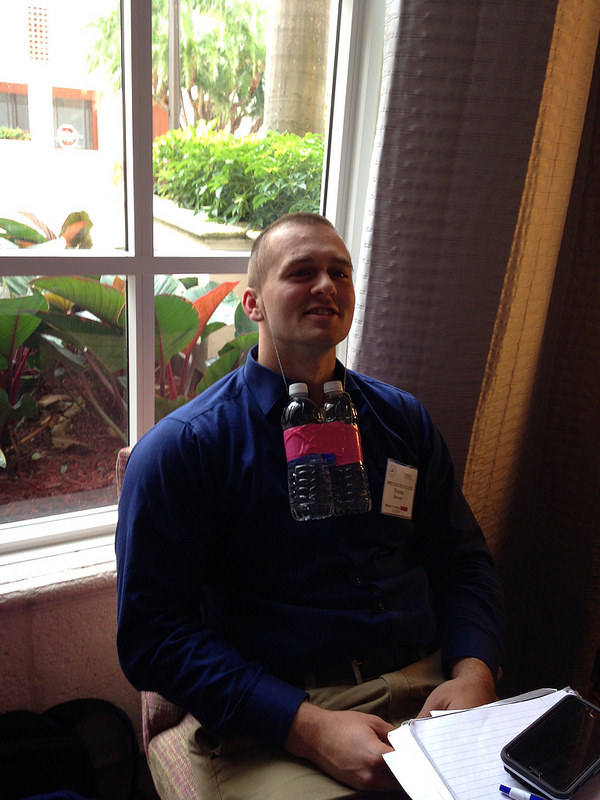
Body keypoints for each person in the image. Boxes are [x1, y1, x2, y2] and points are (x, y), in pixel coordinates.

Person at [115, 213, 504, 799]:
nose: (326, 285)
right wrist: (306, 727)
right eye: (301, 272)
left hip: (432, 686)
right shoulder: (182, 451)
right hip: (281, 715)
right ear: (252, 303)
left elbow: (463, 561)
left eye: (339, 272)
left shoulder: (402, 422)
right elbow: (155, 635)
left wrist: (475, 672)